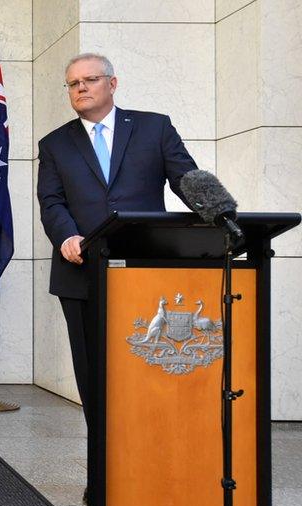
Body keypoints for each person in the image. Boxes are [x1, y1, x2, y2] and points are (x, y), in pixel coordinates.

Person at [37, 53, 196, 430]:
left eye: (89, 80)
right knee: (93, 373)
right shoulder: (55, 144)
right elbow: (52, 201)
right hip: (81, 274)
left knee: (143, 366)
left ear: (112, 83)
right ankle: (102, 472)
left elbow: (187, 179)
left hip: (144, 270)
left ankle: (146, 454)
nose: (81, 88)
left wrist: (223, 213)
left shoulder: (154, 128)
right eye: (73, 84)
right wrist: (66, 236)